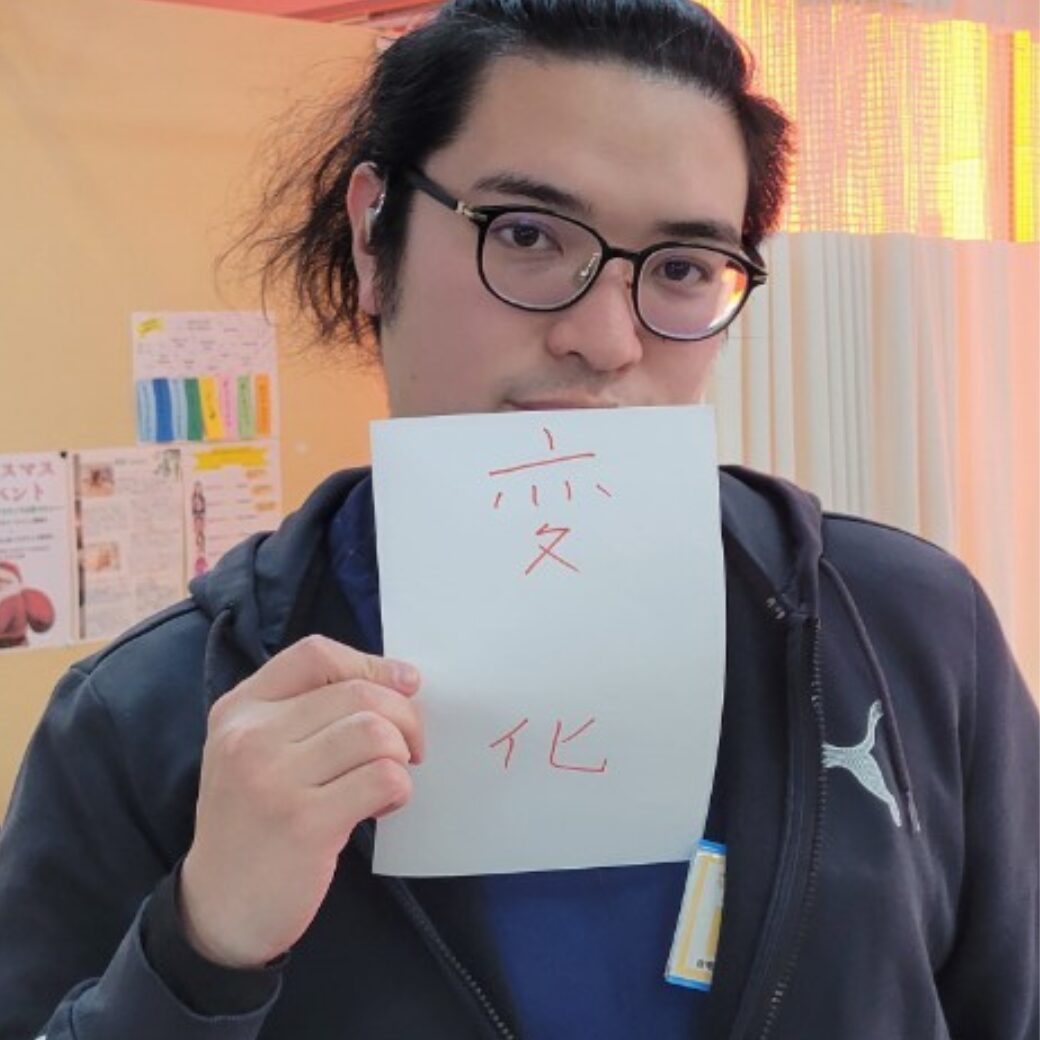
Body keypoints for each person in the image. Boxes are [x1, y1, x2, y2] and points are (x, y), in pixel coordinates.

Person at [0, 1, 1036, 1037]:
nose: (605, 338)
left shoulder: (909, 635)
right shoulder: (146, 718)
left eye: (681, 266)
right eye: (528, 235)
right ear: (372, 239)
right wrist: (200, 951)